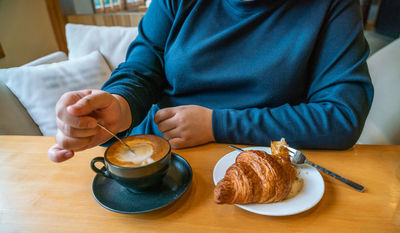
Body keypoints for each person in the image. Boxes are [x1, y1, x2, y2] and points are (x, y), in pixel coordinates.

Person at [48, 0, 373, 163]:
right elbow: (141, 70)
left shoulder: (333, 6)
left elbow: (341, 117)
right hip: (161, 157)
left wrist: (216, 124)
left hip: (265, 161)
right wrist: (118, 104)